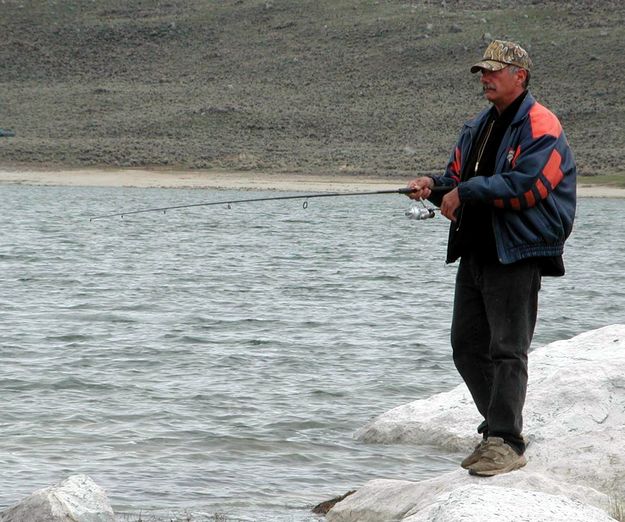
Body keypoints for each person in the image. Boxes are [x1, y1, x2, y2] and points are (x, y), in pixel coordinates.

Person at [407, 40, 576, 476]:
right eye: (482, 71)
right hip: (478, 249)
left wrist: (465, 190)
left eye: (494, 71)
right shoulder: (477, 126)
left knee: (507, 349)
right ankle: (498, 432)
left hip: (518, 249)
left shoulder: (543, 125)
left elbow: (527, 187)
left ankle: (507, 440)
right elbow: (461, 179)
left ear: (520, 76)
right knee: (466, 347)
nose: (485, 77)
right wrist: (435, 184)